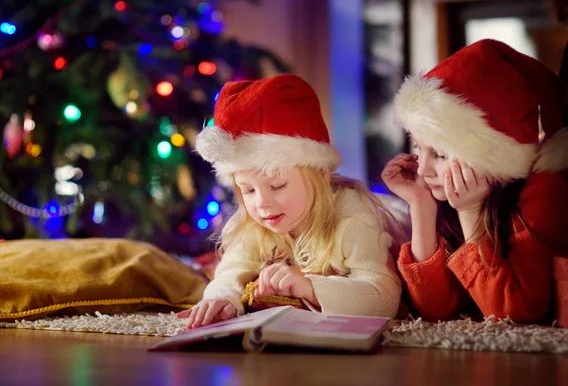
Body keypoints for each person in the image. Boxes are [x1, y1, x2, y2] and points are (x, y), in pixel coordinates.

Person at [177, 74, 402, 329]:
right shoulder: (253, 225)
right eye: (248, 190)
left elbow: (385, 299)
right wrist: (222, 297)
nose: (262, 203)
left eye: (277, 186)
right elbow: (231, 270)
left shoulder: (353, 220)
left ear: (321, 174)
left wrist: (311, 288)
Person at [382, 39, 568, 323]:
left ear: (489, 157)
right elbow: (434, 310)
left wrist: (470, 213)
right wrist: (420, 205)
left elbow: (513, 313)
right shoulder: (440, 193)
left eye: (441, 154)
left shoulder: (543, 192)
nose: (422, 170)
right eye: (419, 147)